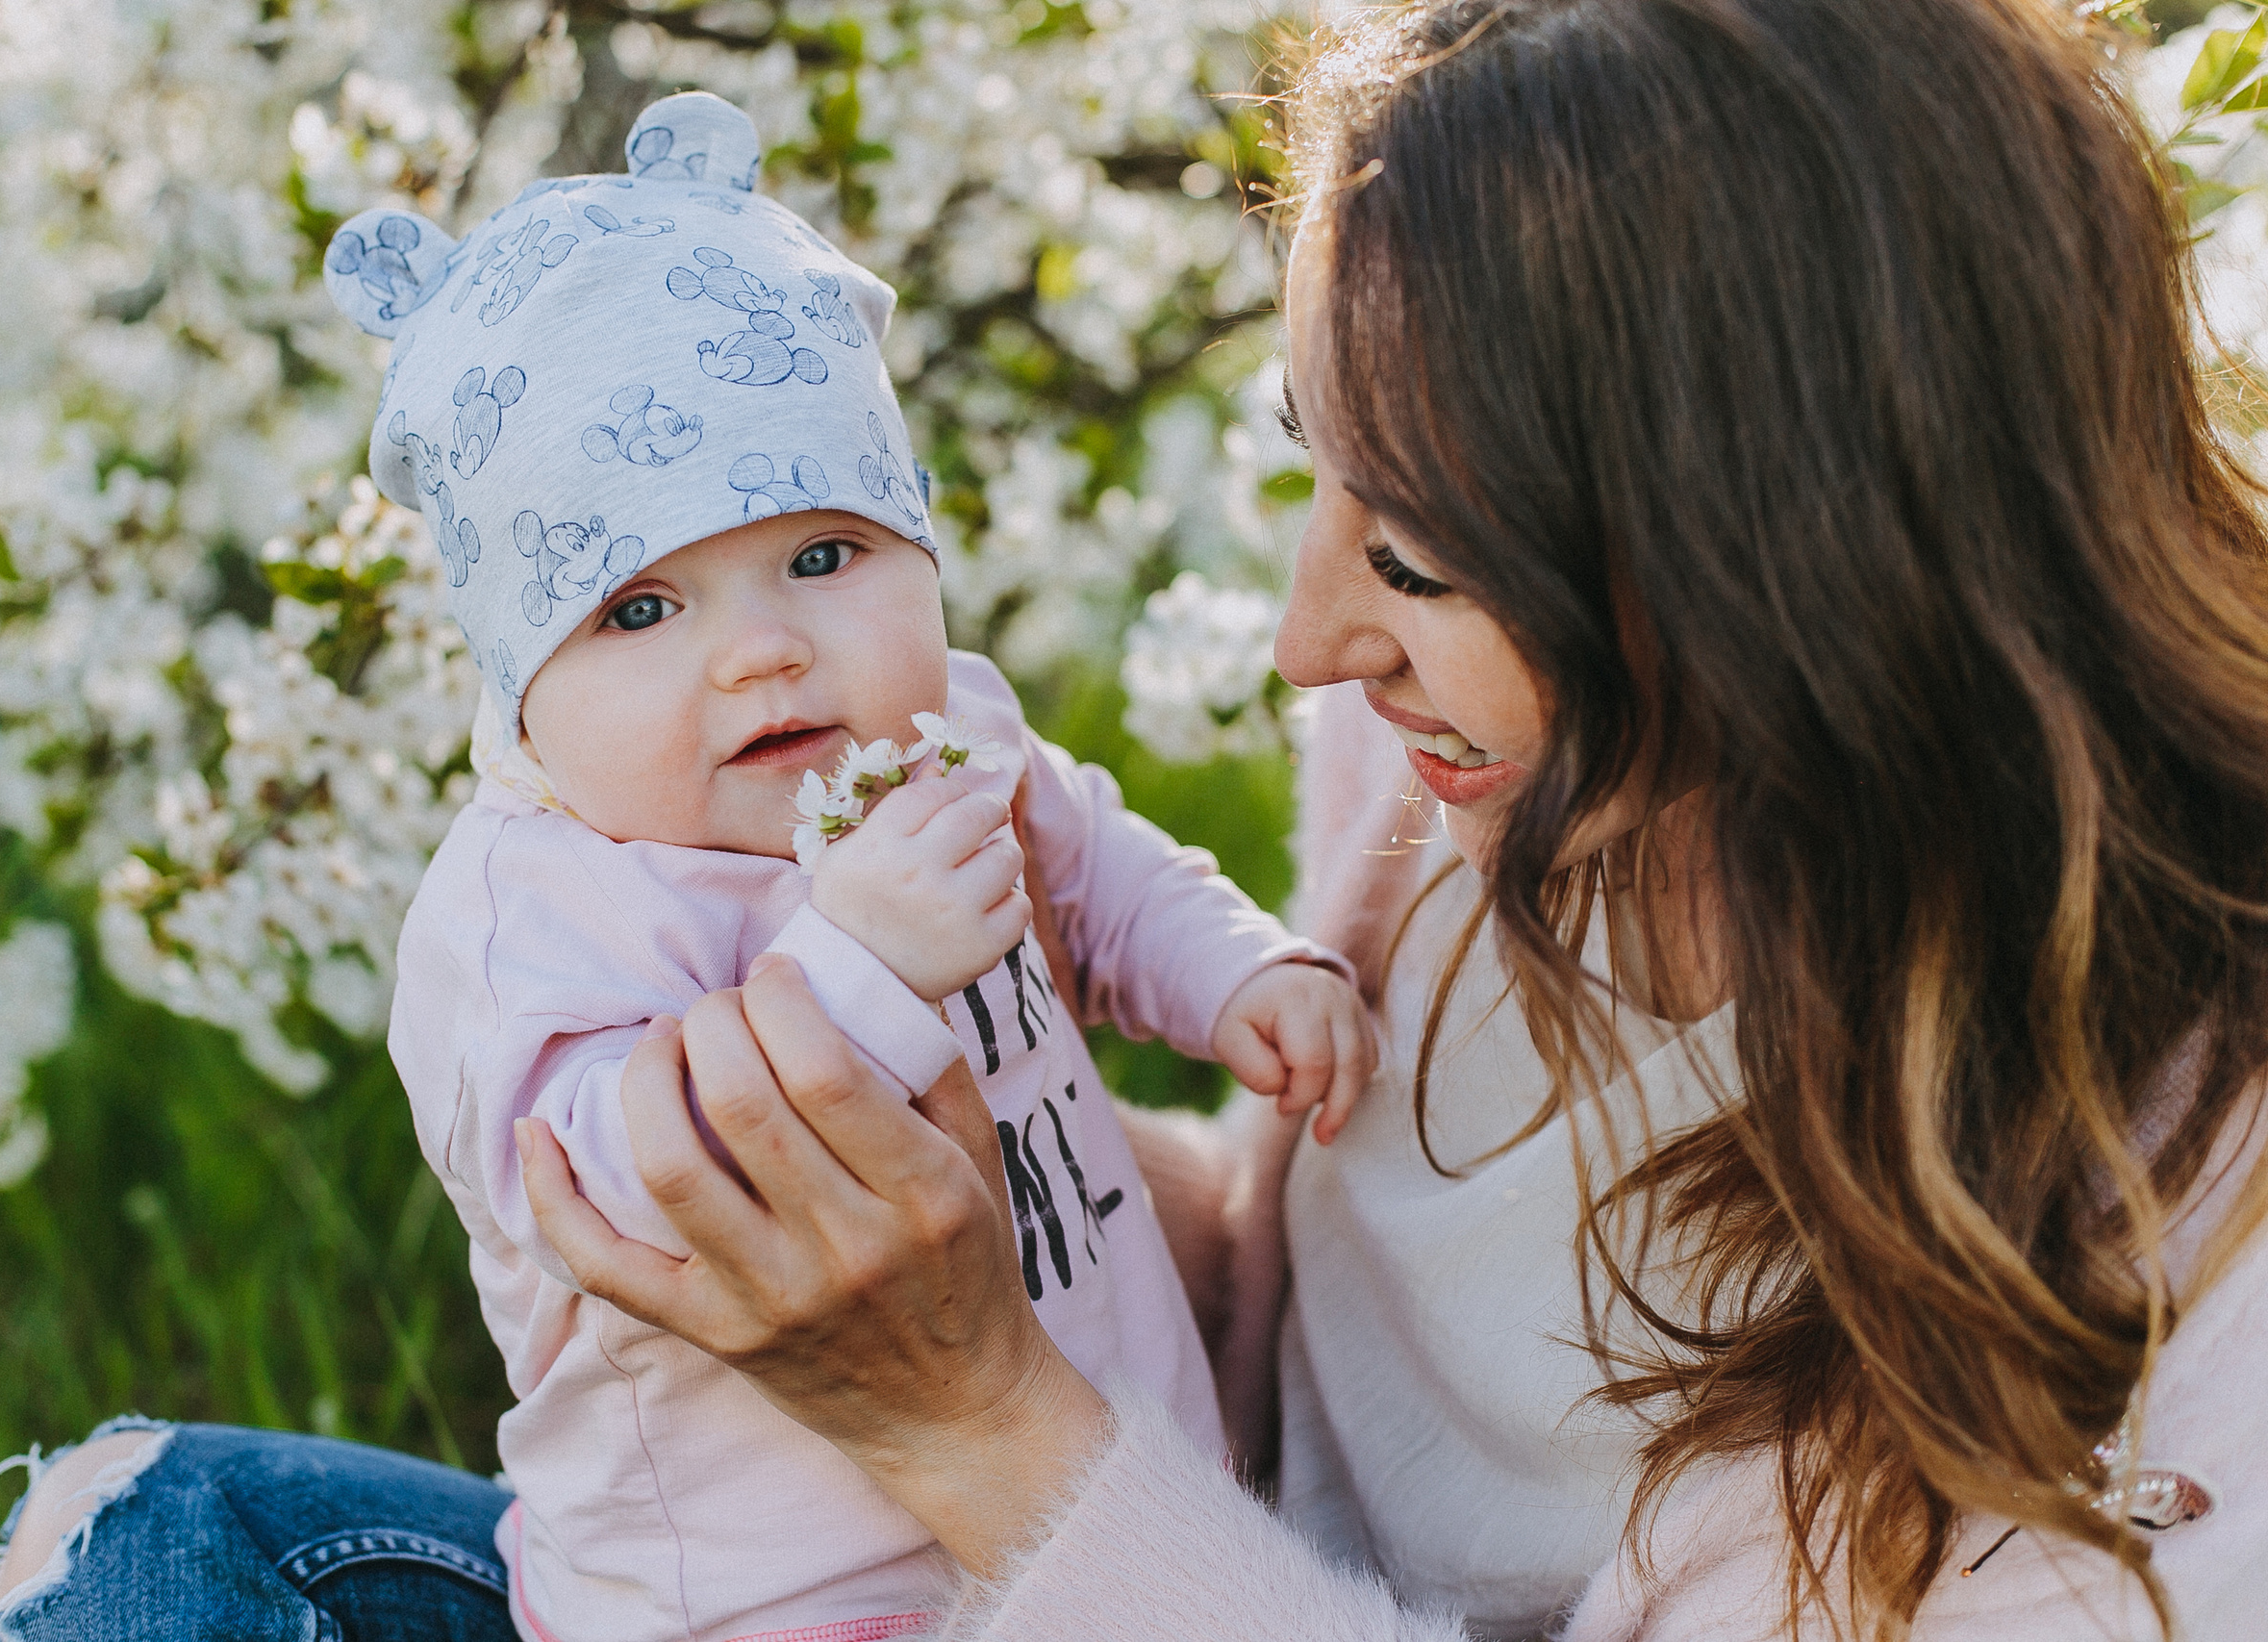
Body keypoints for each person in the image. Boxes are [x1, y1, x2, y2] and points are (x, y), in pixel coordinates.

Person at [503, 1, 2268, 1639]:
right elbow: (1329, 1320)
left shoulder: (2186, 1280)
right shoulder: (1449, 782)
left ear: (1800, 574)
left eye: (1416, 557)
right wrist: (973, 1156)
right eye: (1308, 460)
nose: (1311, 645)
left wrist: (979, 1429)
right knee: (225, 1518)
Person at [0, 90, 1372, 1642]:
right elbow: (629, 1195)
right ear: (520, 686)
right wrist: (860, 970)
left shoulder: (949, 729)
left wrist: (1234, 967)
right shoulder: (535, 918)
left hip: (1103, 1494)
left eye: (823, 559)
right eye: (638, 611)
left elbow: (1092, 869)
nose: (761, 651)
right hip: (766, 1598)